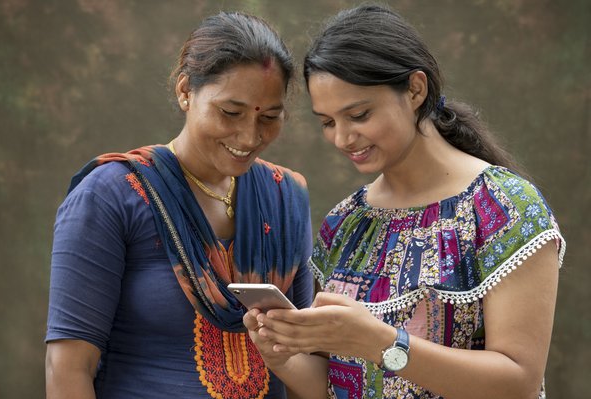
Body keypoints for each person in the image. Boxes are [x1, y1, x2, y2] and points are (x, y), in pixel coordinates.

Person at [244, 5, 565, 399]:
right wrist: (281, 355)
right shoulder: (345, 223)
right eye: (328, 122)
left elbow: (518, 382)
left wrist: (380, 342)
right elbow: (333, 386)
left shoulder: (504, 208)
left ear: (415, 89)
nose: (343, 139)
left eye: (358, 114)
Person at [45, 11, 313, 399]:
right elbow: (67, 368)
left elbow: (305, 354)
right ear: (186, 91)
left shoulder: (286, 196)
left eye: (270, 117)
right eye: (230, 112)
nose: (249, 135)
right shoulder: (112, 195)